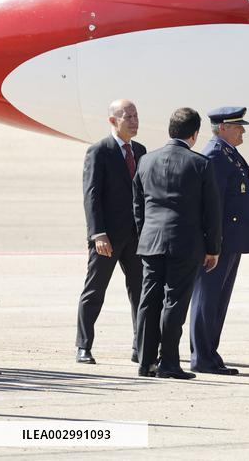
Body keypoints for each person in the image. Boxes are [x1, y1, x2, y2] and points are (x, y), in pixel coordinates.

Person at [133, 108, 221, 379]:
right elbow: (211, 211)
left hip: (151, 242)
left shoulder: (146, 161)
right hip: (185, 244)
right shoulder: (200, 164)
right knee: (174, 303)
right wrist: (213, 248)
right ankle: (169, 362)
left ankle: (146, 361)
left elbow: (138, 205)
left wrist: (144, 235)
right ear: (194, 135)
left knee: (149, 302)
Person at [189, 106, 249, 375]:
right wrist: (212, 246)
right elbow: (212, 206)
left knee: (218, 299)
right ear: (223, 128)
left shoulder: (227, 154)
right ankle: (201, 355)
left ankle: (209, 351)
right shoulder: (216, 156)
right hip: (219, 243)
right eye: (237, 126)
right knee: (207, 298)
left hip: (230, 241)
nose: (242, 130)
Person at [76, 99, 146, 365]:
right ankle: (84, 345)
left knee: (141, 292)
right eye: (127, 116)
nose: (133, 120)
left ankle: (140, 345)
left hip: (136, 236)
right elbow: (91, 196)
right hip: (107, 237)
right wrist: (97, 234)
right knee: (95, 291)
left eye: (136, 115)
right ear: (112, 121)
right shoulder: (99, 151)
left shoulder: (140, 151)